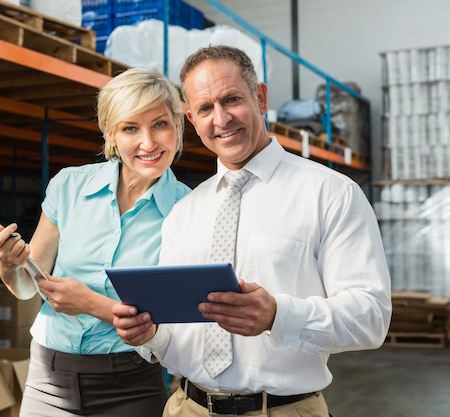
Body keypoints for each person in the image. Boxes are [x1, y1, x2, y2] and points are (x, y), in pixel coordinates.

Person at [111, 45, 392, 417]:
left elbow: (371, 318)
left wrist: (278, 315)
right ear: (192, 119)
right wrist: (150, 336)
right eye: (206, 109)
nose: (222, 118)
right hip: (186, 407)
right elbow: (178, 341)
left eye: (232, 99)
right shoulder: (184, 212)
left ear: (260, 97)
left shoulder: (330, 193)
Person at [0, 67, 192, 417]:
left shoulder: (189, 210)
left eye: (159, 124)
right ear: (111, 135)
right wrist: (9, 264)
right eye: (131, 128)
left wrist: (90, 303)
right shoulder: (68, 186)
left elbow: (173, 327)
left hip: (132, 383)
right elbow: (26, 286)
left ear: (177, 125)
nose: (148, 143)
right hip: (49, 378)